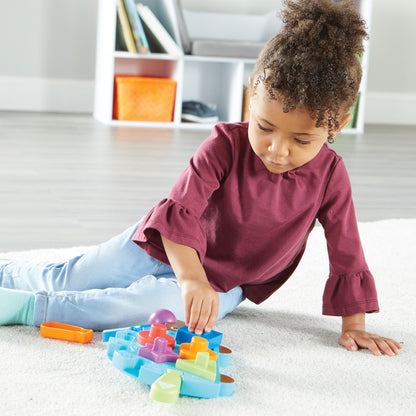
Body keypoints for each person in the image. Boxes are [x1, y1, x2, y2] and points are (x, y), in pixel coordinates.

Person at [0, 0, 402, 356]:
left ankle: (27, 308)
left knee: (142, 308)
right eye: (264, 127)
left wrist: (354, 325)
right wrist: (190, 277)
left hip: (225, 281)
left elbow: (346, 250)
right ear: (251, 94)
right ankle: (7, 271)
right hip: (159, 246)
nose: (278, 150)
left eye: (301, 139)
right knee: (72, 276)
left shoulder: (331, 176)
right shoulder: (225, 144)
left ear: (339, 125)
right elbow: (180, 213)